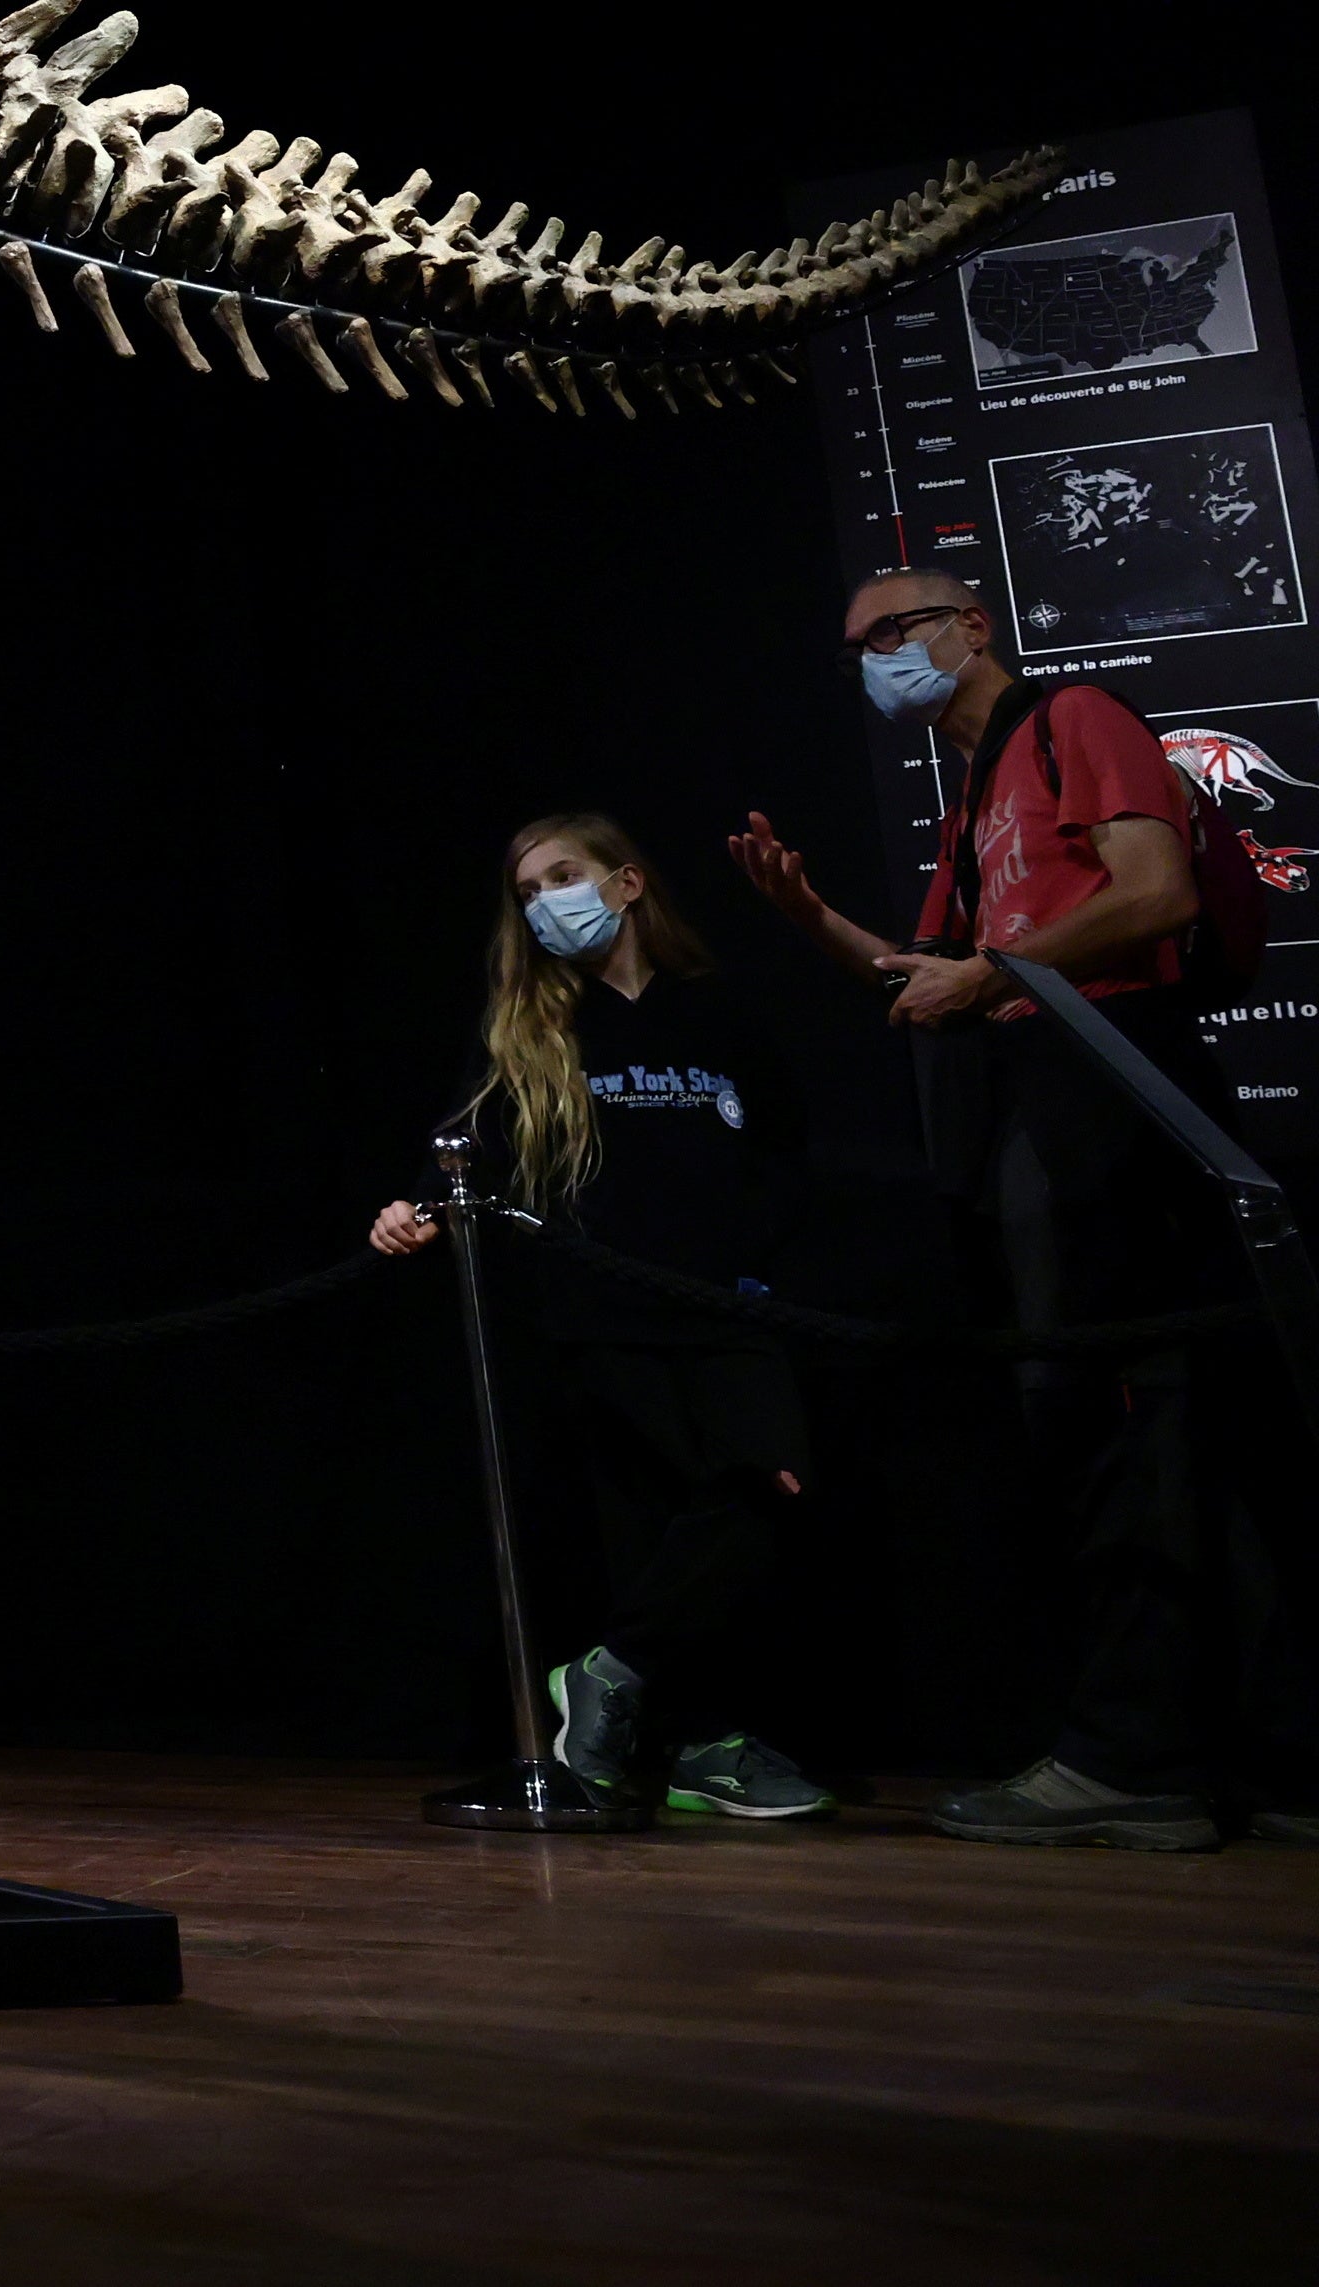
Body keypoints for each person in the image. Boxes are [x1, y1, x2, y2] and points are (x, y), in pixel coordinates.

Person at [732, 565, 1307, 1848]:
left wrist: (987, 973)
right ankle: (1209, 1757)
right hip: (1034, 1119)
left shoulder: (1075, 718)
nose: (877, 657)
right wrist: (812, 915)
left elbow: (1149, 894)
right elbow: (926, 977)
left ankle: (1145, 1762)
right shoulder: (977, 796)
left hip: (1117, 1098)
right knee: (1096, 1433)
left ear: (969, 628)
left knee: (1140, 1427)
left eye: (895, 630)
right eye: (858, 646)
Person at [366, 811, 830, 1819]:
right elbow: (461, 1146)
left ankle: (604, 1678)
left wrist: (758, 1255)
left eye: (562, 876)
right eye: (526, 891)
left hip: (725, 1310)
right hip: (599, 1318)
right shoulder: (532, 1028)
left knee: (766, 1491)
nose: (545, 903)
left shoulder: (718, 1012)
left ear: (625, 884)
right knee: (657, 1535)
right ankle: (709, 1745)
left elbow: (788, 1152)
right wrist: (413, 1208)